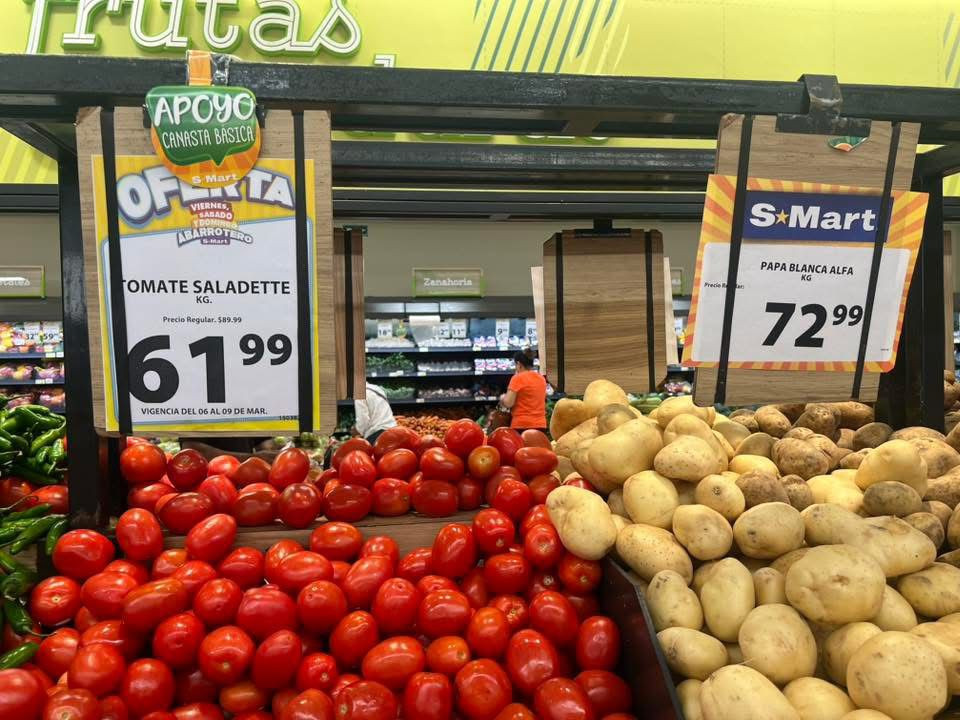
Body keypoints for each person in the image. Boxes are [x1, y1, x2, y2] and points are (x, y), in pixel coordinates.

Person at [499, 349, 548, 433]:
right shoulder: (541, 378)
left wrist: (502, 398)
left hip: (522, 425)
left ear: (518, 364)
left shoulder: (517, 378)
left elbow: (508, 403)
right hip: (540, 424)